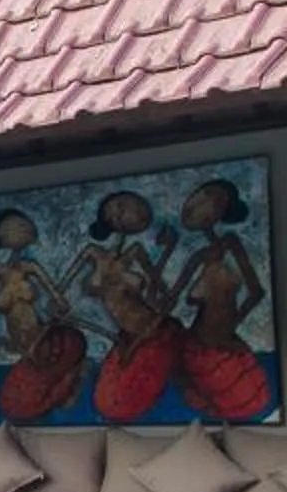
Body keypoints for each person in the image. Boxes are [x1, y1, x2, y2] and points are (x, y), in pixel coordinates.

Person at [62, 190, 181, 422]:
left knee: (126, 400)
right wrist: (111, 336)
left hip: (153, 330)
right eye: (116, 210)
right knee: (108, 401)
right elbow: (59, 302)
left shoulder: (135, 251)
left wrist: (168, 249)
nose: (121, 214)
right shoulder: (92, 252)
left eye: (124, 207)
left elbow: (161, 292)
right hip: (127, 338)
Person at [167, 175, 275, 421]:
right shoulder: (199, 257)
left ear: (221, 210)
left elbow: (256, 292)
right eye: (197, 199)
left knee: (246, 397)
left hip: (221, 343)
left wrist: (228, 330)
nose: (197, 206)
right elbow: (173, 298)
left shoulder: (231, 244)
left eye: (210, 201)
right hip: (200, 344)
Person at [0, 208, 87, 421]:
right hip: (23, 348)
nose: (24, 227)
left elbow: (59, 301)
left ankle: (72, 375)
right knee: (16, 405)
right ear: (1, 235)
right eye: (15, 225)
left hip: (42, 339)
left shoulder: (30, 267)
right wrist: (3, 342)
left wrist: (55, 311)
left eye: (25, 223)